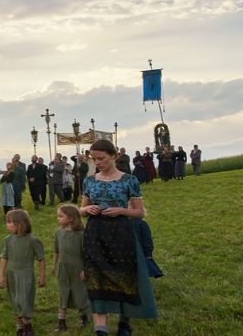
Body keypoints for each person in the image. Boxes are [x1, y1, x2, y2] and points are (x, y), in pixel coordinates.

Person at [80, 139, 157, 336]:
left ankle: (125, 323)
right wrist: (87, 208)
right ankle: (101, 330)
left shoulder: (129, 180)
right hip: (95, 233)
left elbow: (140, 213)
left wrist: (121, 210)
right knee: (96, 276)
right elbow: (81, 210)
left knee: (124, 276)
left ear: (114, 156)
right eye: (94, 159)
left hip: (121, 233)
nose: (97, 163)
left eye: (101, 158)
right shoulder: (89, 180)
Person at [0, 210, 46, 336]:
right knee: (14, 300)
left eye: (9, 222)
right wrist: (1, 275)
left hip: (26, 275)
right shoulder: (7, 240)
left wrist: (42, 276)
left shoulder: (33, 241)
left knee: (24, 300)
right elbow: (4, 257)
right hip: (11, 275)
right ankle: (19, 327)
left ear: (20, 224)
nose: (7, 225)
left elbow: (41, 259)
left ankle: (28, 325)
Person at [52, 204, 91, 332]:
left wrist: (85, 269)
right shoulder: (58, 232)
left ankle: (84, 316)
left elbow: (86, 255)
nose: (58, 218)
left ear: (70, 218)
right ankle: (61, 322)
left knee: (80, 293)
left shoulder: (81, 234)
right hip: (63, 269)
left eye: (60, 216)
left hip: (78, 269)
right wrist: (54, 265)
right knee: (63, 294)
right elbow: (56, 251)